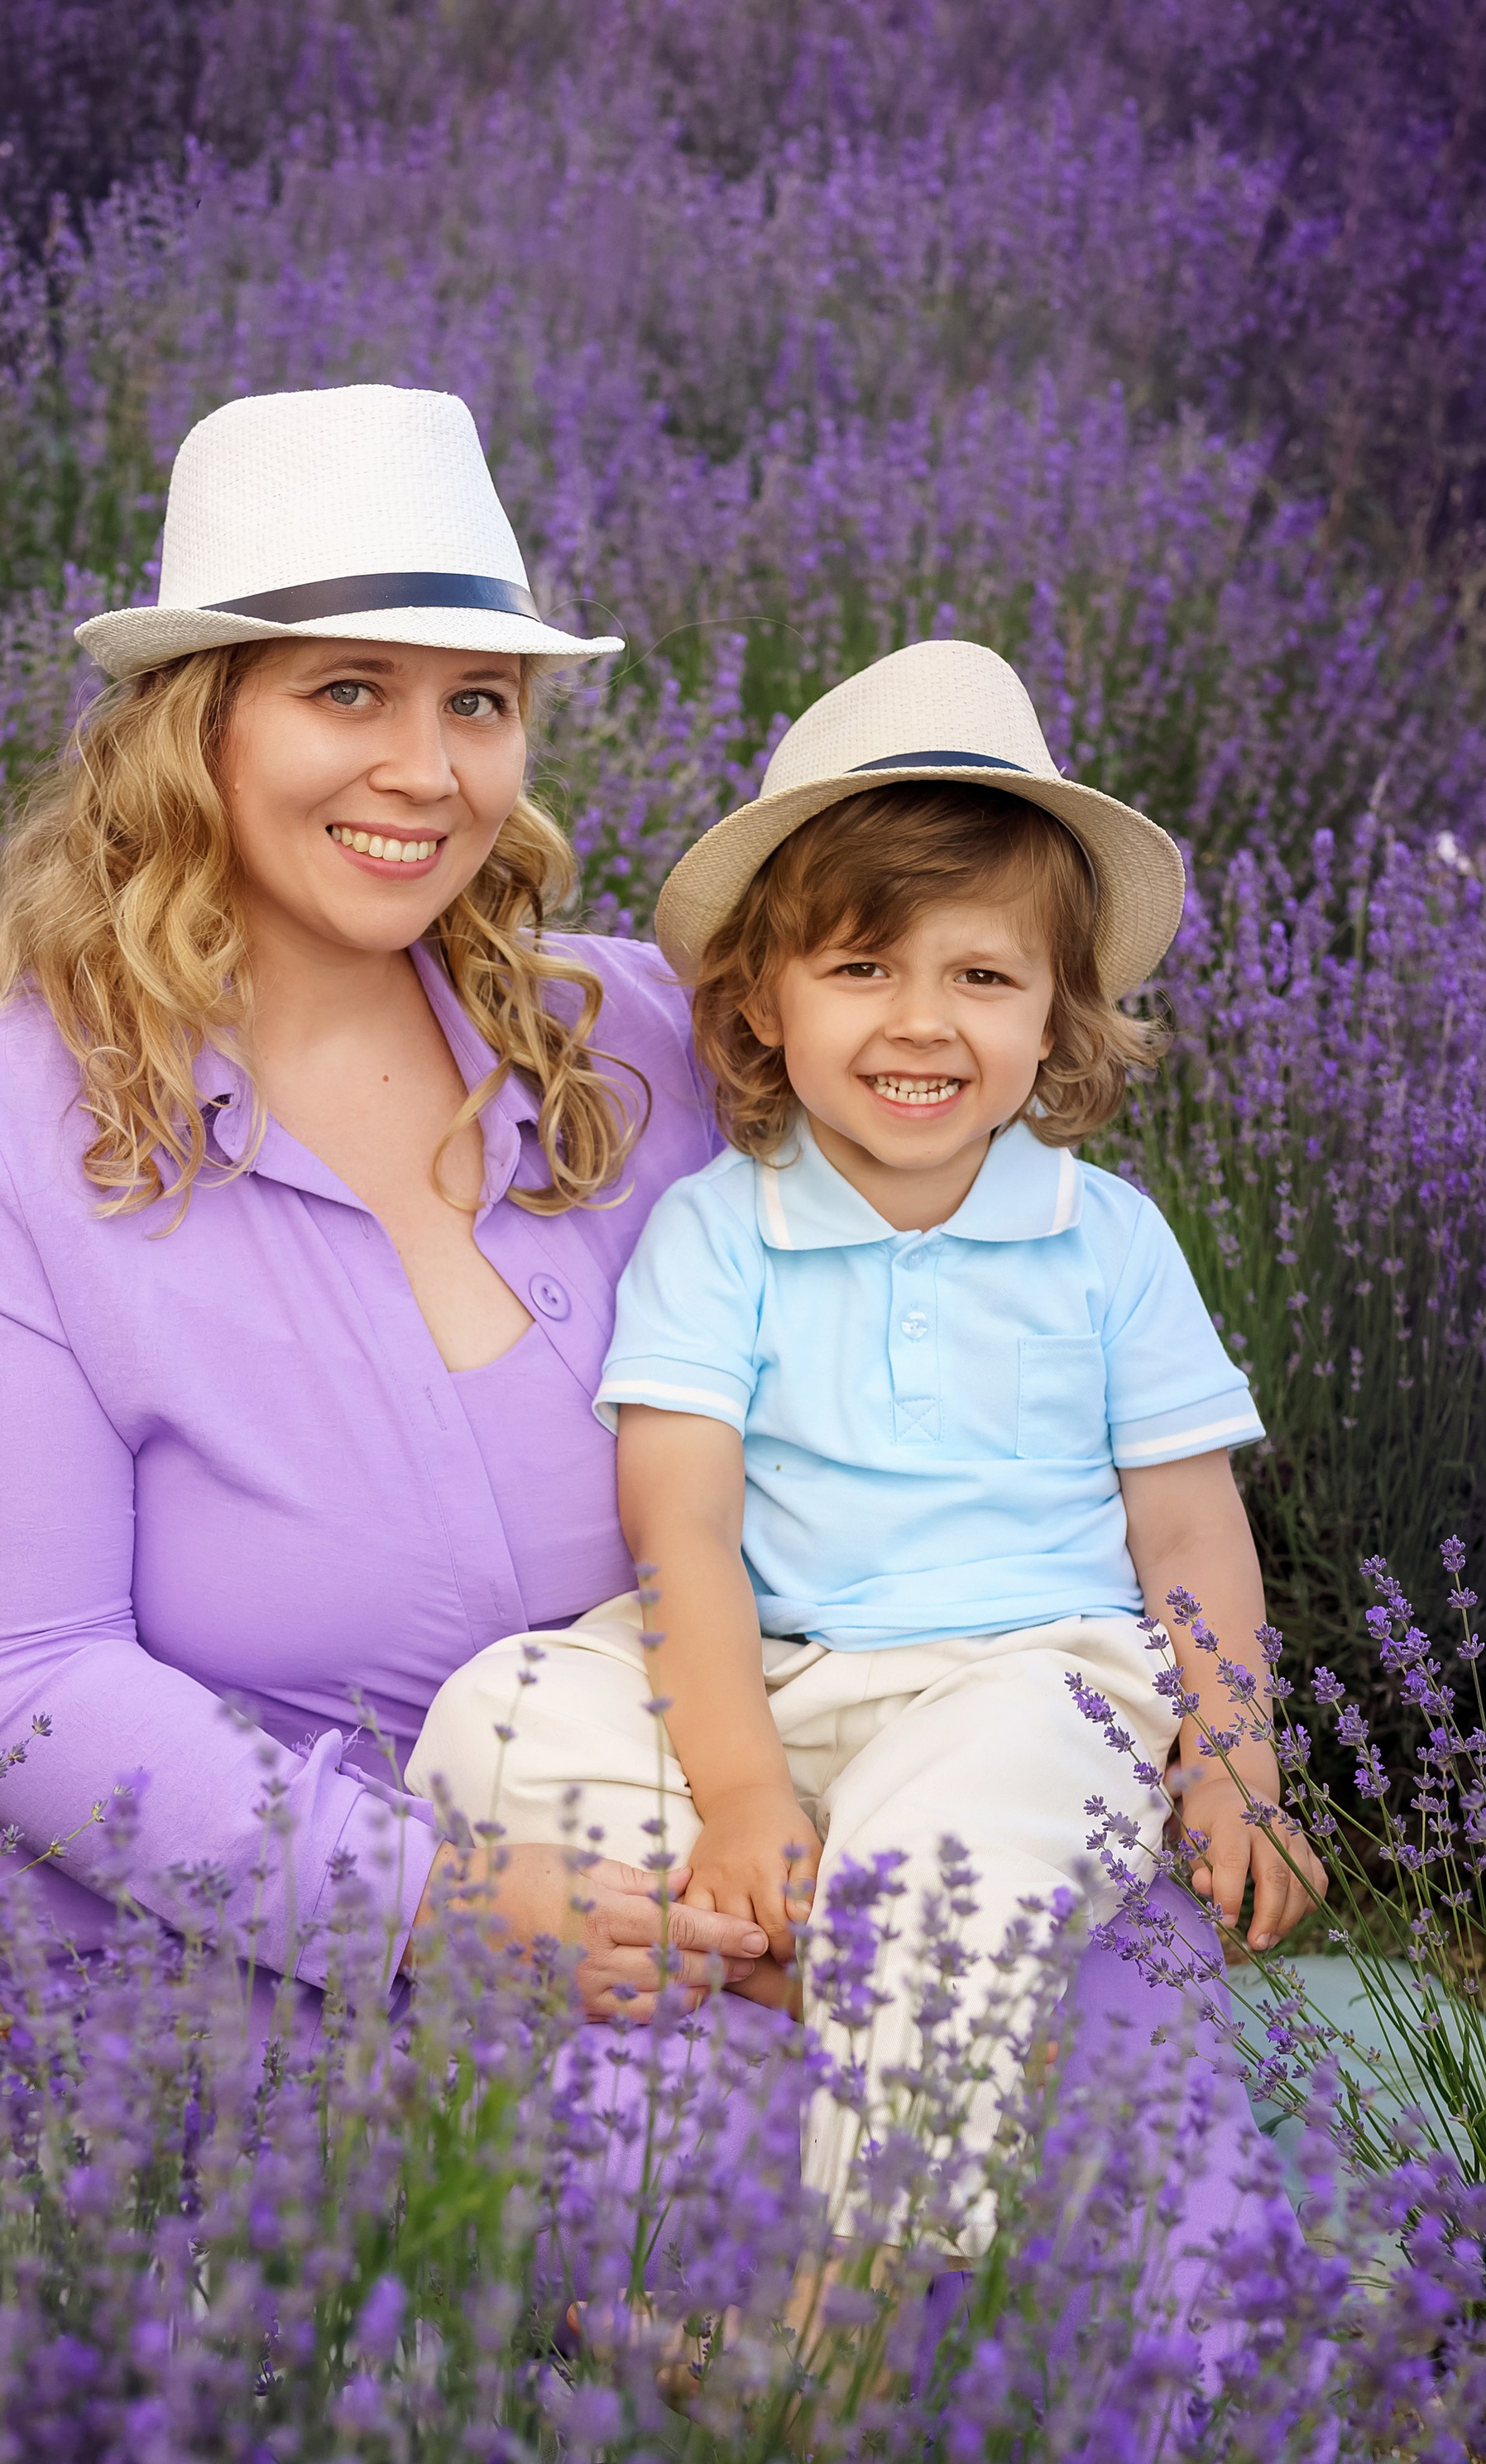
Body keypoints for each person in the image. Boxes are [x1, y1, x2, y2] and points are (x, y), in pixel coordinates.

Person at [0, 380, 774, 2029]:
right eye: (347, 692)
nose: (425, 774)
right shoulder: (1, 1129)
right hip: (272, 1982)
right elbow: (3, 1682)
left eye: (479, 703)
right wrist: (431, 1904)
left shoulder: (637, 1037)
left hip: (733, 1878)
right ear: (193, 725)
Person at [406, 639, 1325, 2199]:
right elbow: (679, 1522)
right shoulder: (722, 1228)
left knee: (958, 1844)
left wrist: (1236, 1763)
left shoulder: (1105, 1239)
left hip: (1026, 1680)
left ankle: (873, 2281)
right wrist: (749, 1783)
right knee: (498, 1710)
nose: (921, 1023)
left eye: (982, 976)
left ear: (1057, 1015)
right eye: (861, 969)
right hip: (771, 1672)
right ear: (762, 1004)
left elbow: (1186, 1522)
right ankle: (808, 1960)